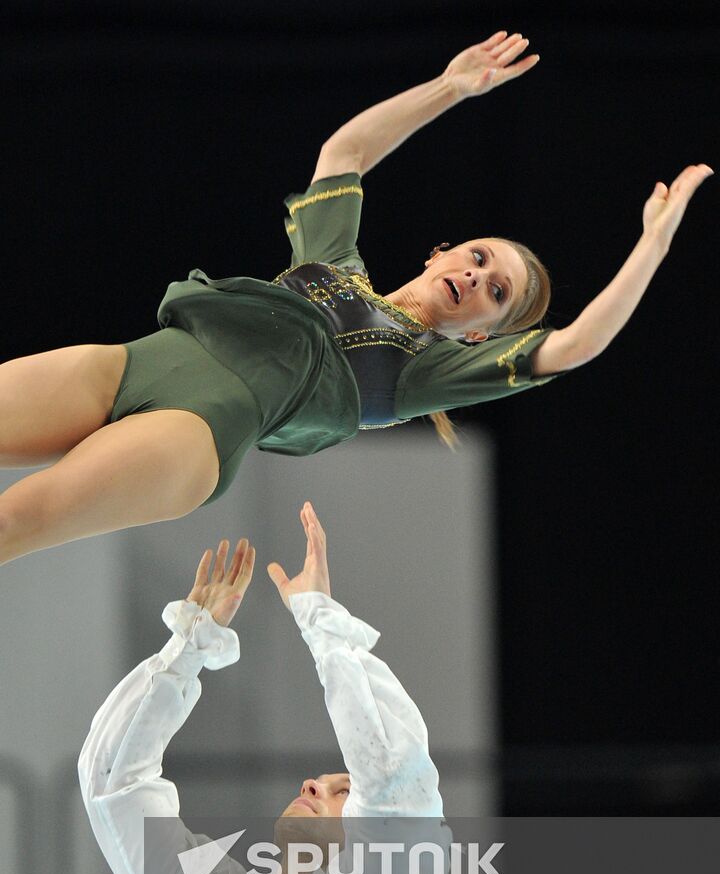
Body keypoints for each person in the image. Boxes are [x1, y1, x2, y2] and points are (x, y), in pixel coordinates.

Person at [0, 31, 712, 565]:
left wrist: (652, 244)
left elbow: (578, 344)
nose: (476, 276)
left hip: (197, 430)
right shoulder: (334, 262)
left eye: (497, 293)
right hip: (137, 361)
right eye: (479, 257)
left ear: (480, 334)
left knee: (14, 522)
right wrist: (449, 88)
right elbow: (344, 153)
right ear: (443, 252)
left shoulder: (417, 375)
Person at [78, 502, 446, 874]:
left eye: (343, 792)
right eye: (325, 780)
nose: (315, 784)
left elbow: (397, 786)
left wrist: (322, 622)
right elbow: (112, 782)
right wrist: (185, 650)